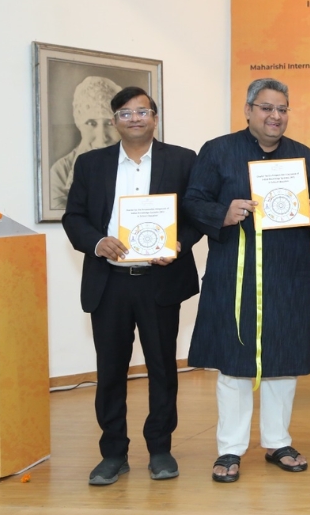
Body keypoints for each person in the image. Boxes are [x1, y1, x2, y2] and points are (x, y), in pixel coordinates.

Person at [183, 77, 310, 483]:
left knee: (283, 359)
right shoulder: (217, 151)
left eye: (282, 109)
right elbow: (193, 201)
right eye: (266, 108)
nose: (275, 116)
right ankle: (229, 448)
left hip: (288, 271)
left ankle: (278, 442)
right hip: (236, 271)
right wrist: (223, 213)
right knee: (234, 362)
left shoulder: (303, 156)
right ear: (248, 110)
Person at [62, 86, 201, 485]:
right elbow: (74, 217)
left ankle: (160, 449)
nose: (135, 118)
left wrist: (179, 243)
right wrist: (96, 242)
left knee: (162, 369)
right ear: (114, 121)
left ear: (155, 118)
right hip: (110, 281)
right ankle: (113, 453)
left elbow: (195, 214)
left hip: (160, 281)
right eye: (126, 113)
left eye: (142, 111)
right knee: (110, 371)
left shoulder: (182, 160)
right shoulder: (91, 164)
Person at [50, 76, 122, 210]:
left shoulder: (136, 165)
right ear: (79, 125)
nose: (102, 137)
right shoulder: (61, 172)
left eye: (109, 123)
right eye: (91, 123)